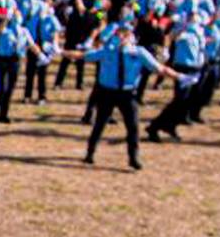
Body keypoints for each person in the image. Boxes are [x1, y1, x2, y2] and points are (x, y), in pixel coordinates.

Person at [62, 24, 177, 170]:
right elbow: (83, 56)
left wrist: (179, 77)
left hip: (127, 94)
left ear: (131, 36)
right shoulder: (107, 51)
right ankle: (90, 152)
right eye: (120, 34)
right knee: (100, 124)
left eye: (126, 34)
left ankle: (133, 157)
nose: (122, 38)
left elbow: (159, 68)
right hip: (108, 92)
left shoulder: (138, 52)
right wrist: (62, 52)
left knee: (133, 126)